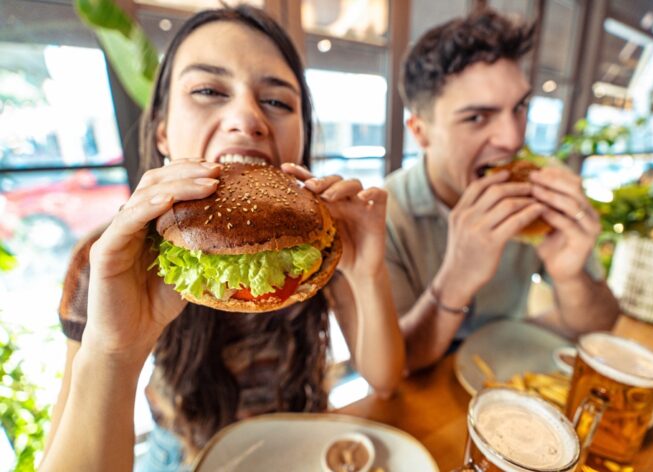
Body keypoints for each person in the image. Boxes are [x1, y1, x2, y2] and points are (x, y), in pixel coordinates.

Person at [40, 5, 404, 471]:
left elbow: (385, 380)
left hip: (304, 447)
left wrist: (368, 271)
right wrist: (115, 353)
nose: (247, 117)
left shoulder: (314, 242)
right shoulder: (109, 258)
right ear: (164, 133)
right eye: (209, 90)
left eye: (277, 101)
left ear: (301, 137)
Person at [386, 8, 620, 372]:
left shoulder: (545, 187)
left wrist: (571, 275)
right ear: (420, 131)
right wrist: (456, 279)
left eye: (520, 108)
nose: (513, 139)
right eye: (477, 117)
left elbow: (598, 324)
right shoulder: (385, 215)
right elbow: (396, 364)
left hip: (507, 372)